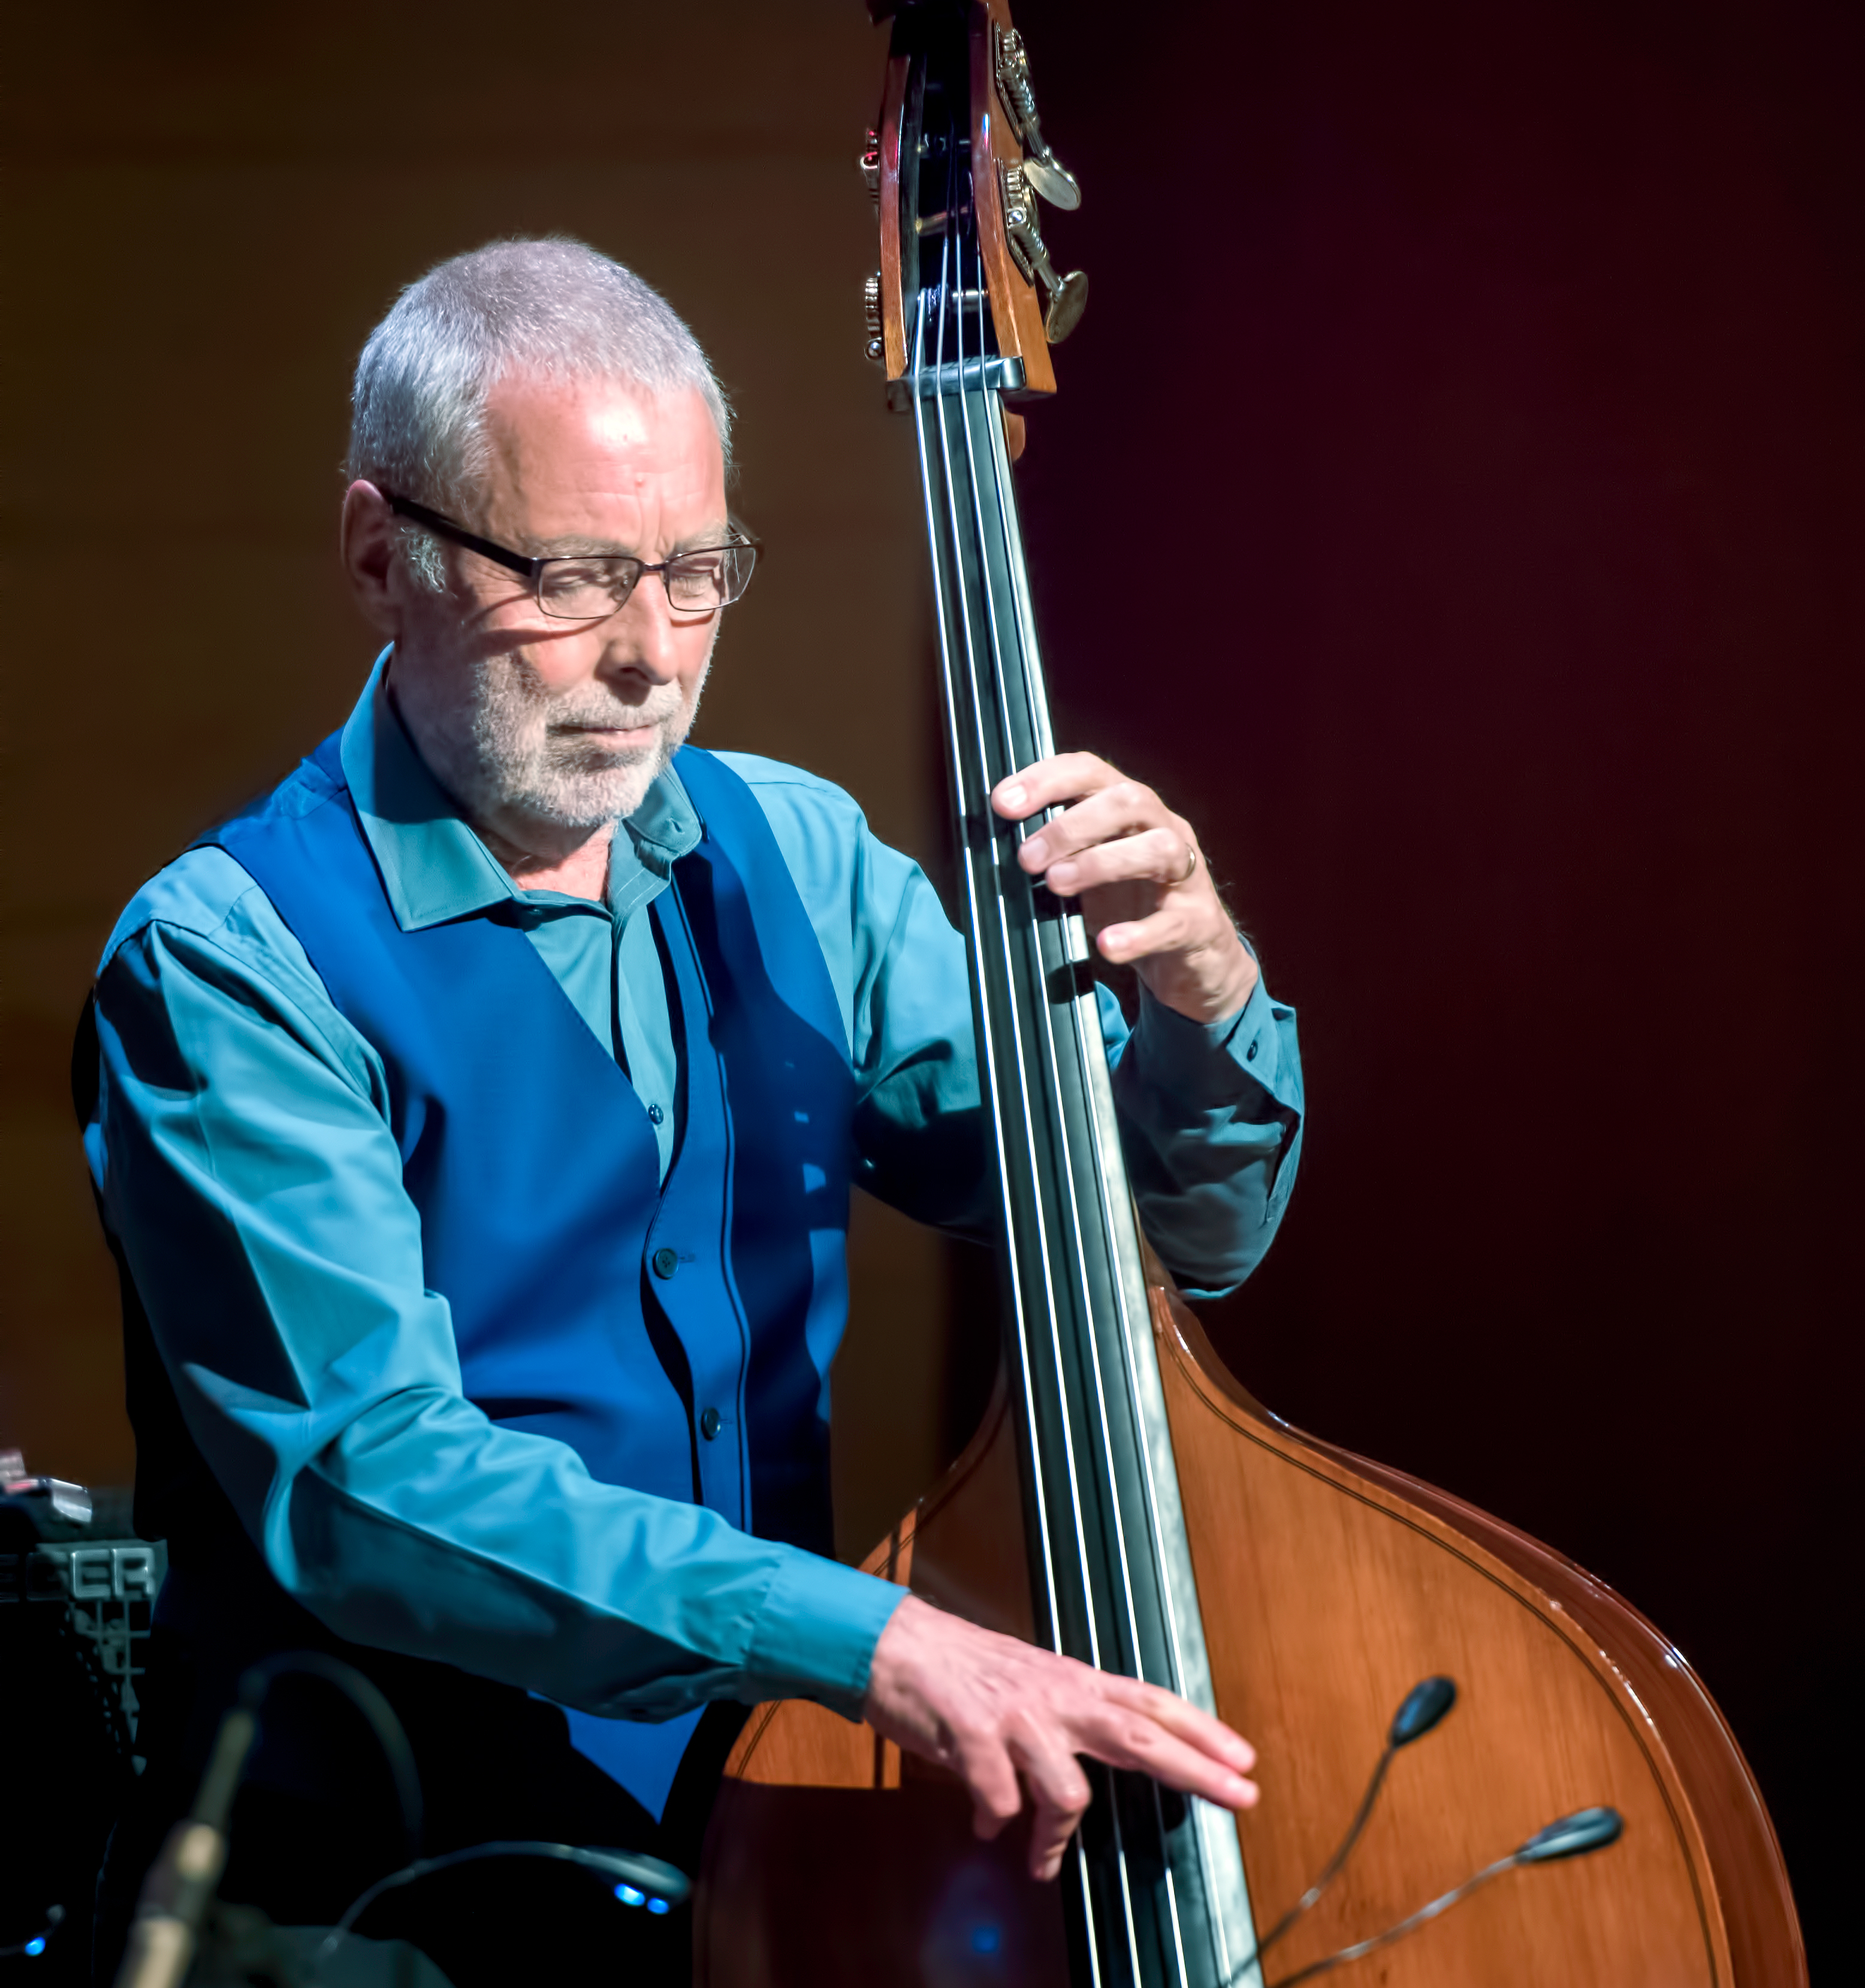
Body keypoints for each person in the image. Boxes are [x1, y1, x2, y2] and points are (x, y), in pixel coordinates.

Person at [80, 239, 1303, 1984]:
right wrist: (870, 1641)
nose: (651, 657)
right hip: (378, 1918)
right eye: (575, 575)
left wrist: (1199, 996)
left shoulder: (792, 858)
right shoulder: (225, 959)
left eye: (696, 573)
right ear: (381, 555)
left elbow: (1182, 1236)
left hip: (745, 1885)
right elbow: (370, 1485)